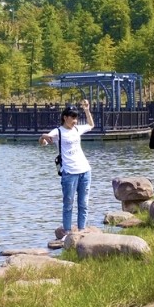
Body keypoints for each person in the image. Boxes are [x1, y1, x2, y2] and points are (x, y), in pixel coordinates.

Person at [39, 99, 95, 236]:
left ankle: (82, 230)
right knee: (68, 204)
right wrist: (43, 137)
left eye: (76, 117)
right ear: (65, 117)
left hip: (85, 170)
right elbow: (43, 143)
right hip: (69, 172)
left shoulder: (77, 129)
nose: (75, 120)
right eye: (72, 117)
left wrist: (87, 110)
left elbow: (91, 125)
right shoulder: (58, 131)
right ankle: (68, 233)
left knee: (83, 203)